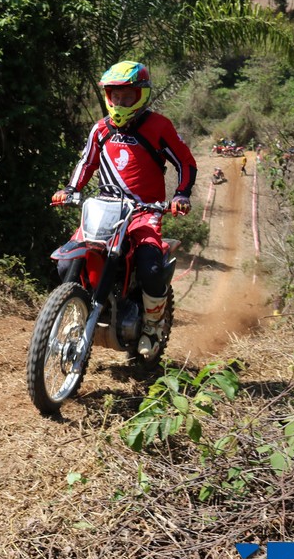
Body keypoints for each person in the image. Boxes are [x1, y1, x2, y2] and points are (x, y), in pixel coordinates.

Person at [51, 60, 196, 358]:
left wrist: (181, 194)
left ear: (141, 95)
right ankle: (77, 309)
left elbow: (185, 161)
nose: (120, 102)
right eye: (115, 96)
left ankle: (152, 327)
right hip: (104, 209)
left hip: (144, 211)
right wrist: (70, 189)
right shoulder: (100, 129)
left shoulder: (159, 127)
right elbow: (86, 162)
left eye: (127, 96)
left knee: (150, 266)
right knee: (67, 262)